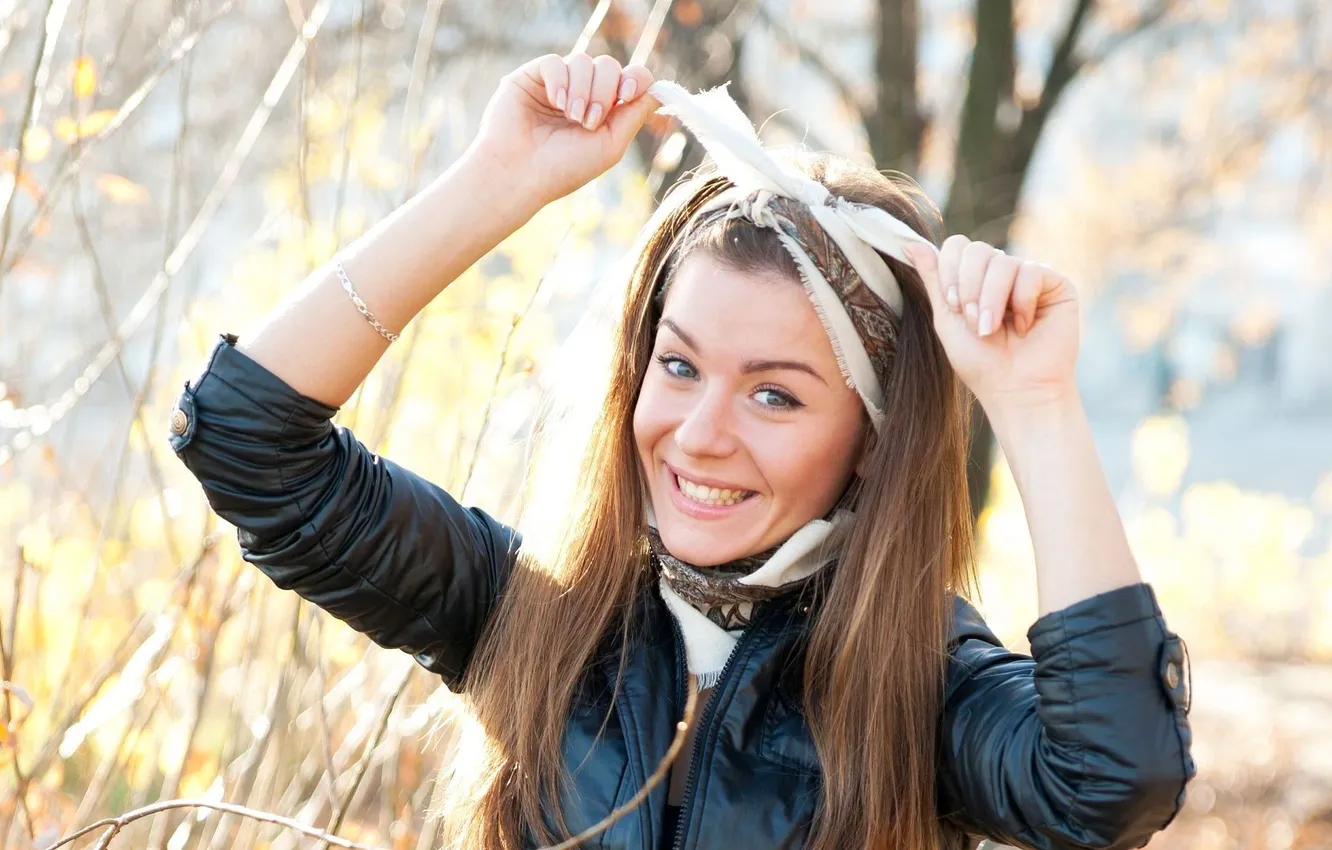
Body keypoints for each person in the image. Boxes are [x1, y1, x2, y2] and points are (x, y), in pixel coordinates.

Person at [167, 52, 1194, 850]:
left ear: (873, 445)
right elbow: (248, 440)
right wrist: (496, 183)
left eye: (776, 394)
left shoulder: (917, 686)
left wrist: (1034, 400)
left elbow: (1114, 780)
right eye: (681, 367)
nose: (701, 434)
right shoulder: (527, 613)